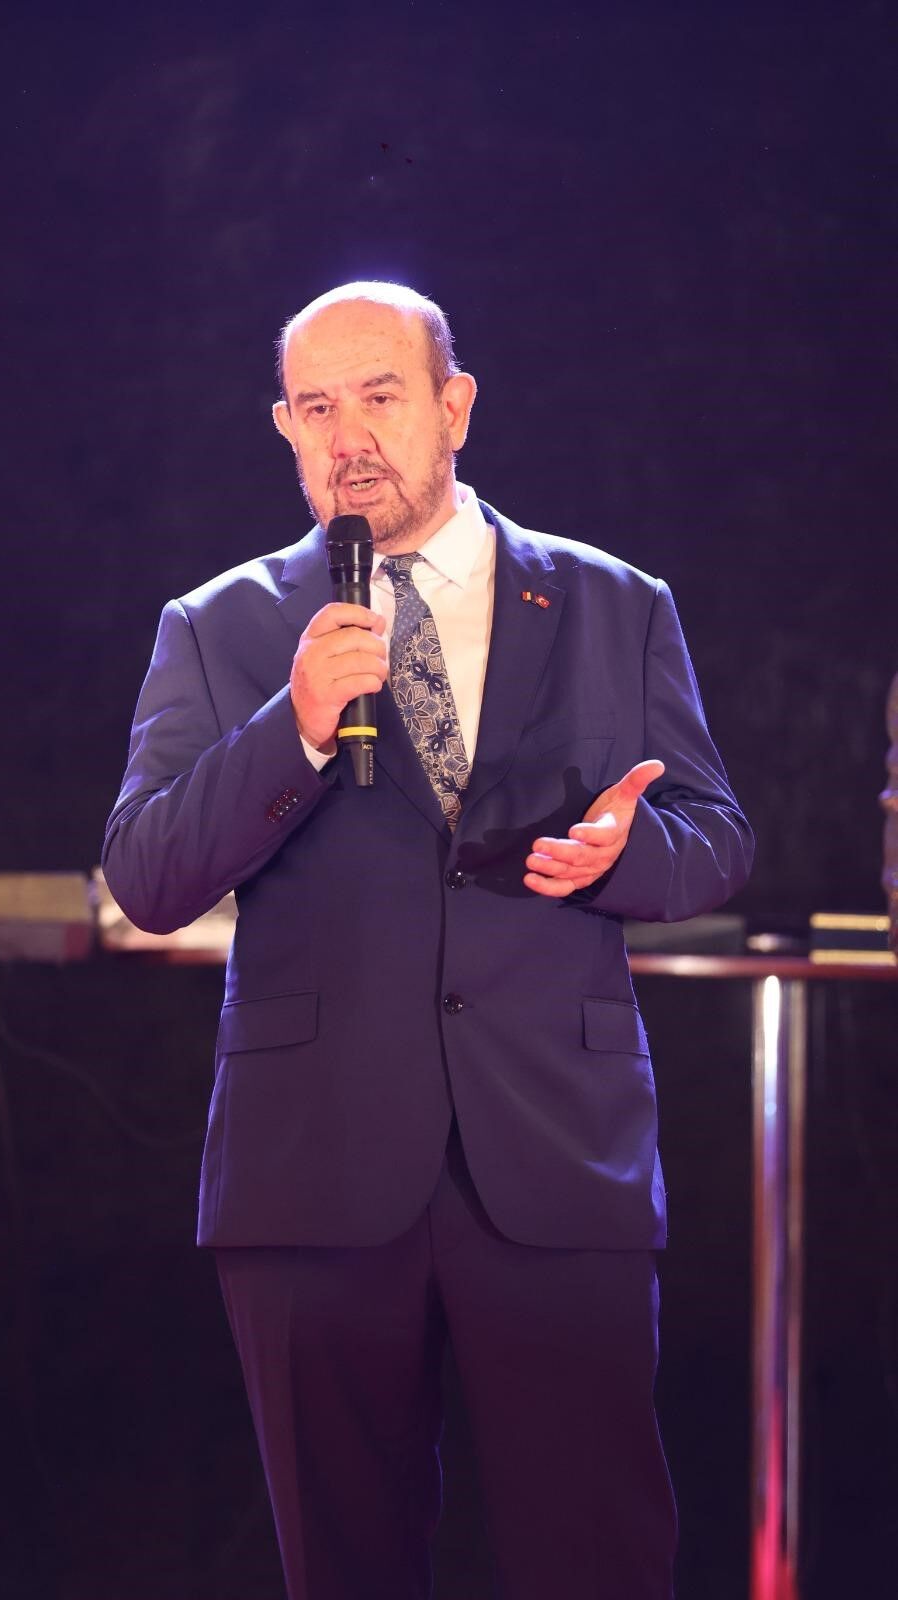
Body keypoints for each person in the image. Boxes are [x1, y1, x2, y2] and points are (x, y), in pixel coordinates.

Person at [102, 281, 753, 1600]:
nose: (348, 437)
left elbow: (715, 836)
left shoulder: (613, 604)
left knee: (597, 1558)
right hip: (313, 1168)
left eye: (380, 396)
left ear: (454, 406)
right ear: (285, 428)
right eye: (316, 408)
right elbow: (149, 875)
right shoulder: (220, 625)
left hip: (557, 1154)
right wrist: (288, 731)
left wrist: (626, 857)